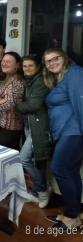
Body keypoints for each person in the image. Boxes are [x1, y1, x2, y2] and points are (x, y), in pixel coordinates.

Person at [42, 49, 83, 230]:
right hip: (64, 131)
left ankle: (71, 216)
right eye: (47, 61)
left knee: (59, 169)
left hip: (73, 131)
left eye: (55, 58)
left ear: (64, 58)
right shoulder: (63, 78)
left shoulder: (75, 73)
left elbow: (80, 104)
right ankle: (73, 213)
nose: (52, 63)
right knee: (72, 172)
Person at [15, 54, 53, 208]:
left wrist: (15, 105)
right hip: (29, 124)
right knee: (37, 159)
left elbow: (33, 105)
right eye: (25, 66)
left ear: (38, 67)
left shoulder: (41, 82)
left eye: (31, 66)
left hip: (39, 126)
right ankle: (37, 191)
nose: (27, 69)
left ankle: (43, 189)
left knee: (23, 158)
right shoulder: (28, 81)